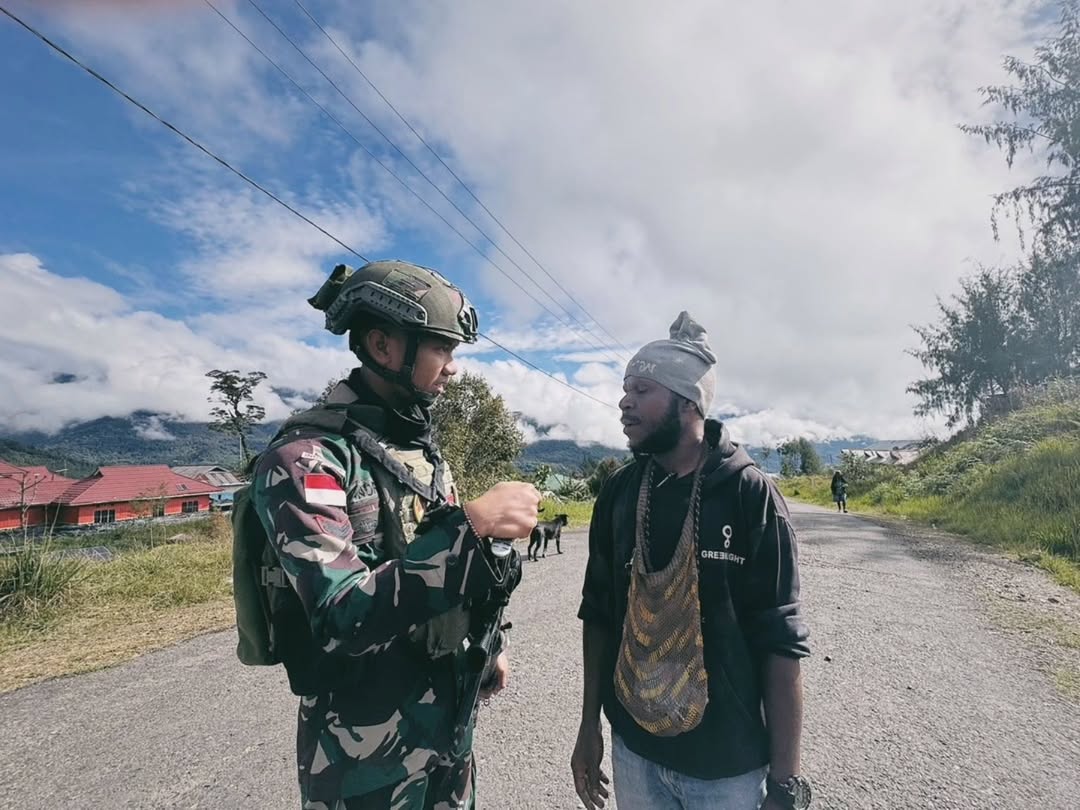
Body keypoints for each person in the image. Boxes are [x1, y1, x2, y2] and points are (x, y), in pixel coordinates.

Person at [252, 260, 540, 809]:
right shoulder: (306, 459)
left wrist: (490, 644)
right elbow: (341, 615)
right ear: (383, 346)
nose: (453, 367)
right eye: (442, 348)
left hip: (447, 732)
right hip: (362, 759)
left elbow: (454, 574)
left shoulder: (419, 453)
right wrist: (473, 525)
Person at [571, 312, 812, 810]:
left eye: (642, 389)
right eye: (625, 389)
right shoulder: (619, 492)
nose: (624, 401)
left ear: (688, 402)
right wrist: (589, 725)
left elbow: (780, 638)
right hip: (634, 751)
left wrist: (785, 784)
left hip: (726, 768)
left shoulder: (749, 496)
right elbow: (598, 613)